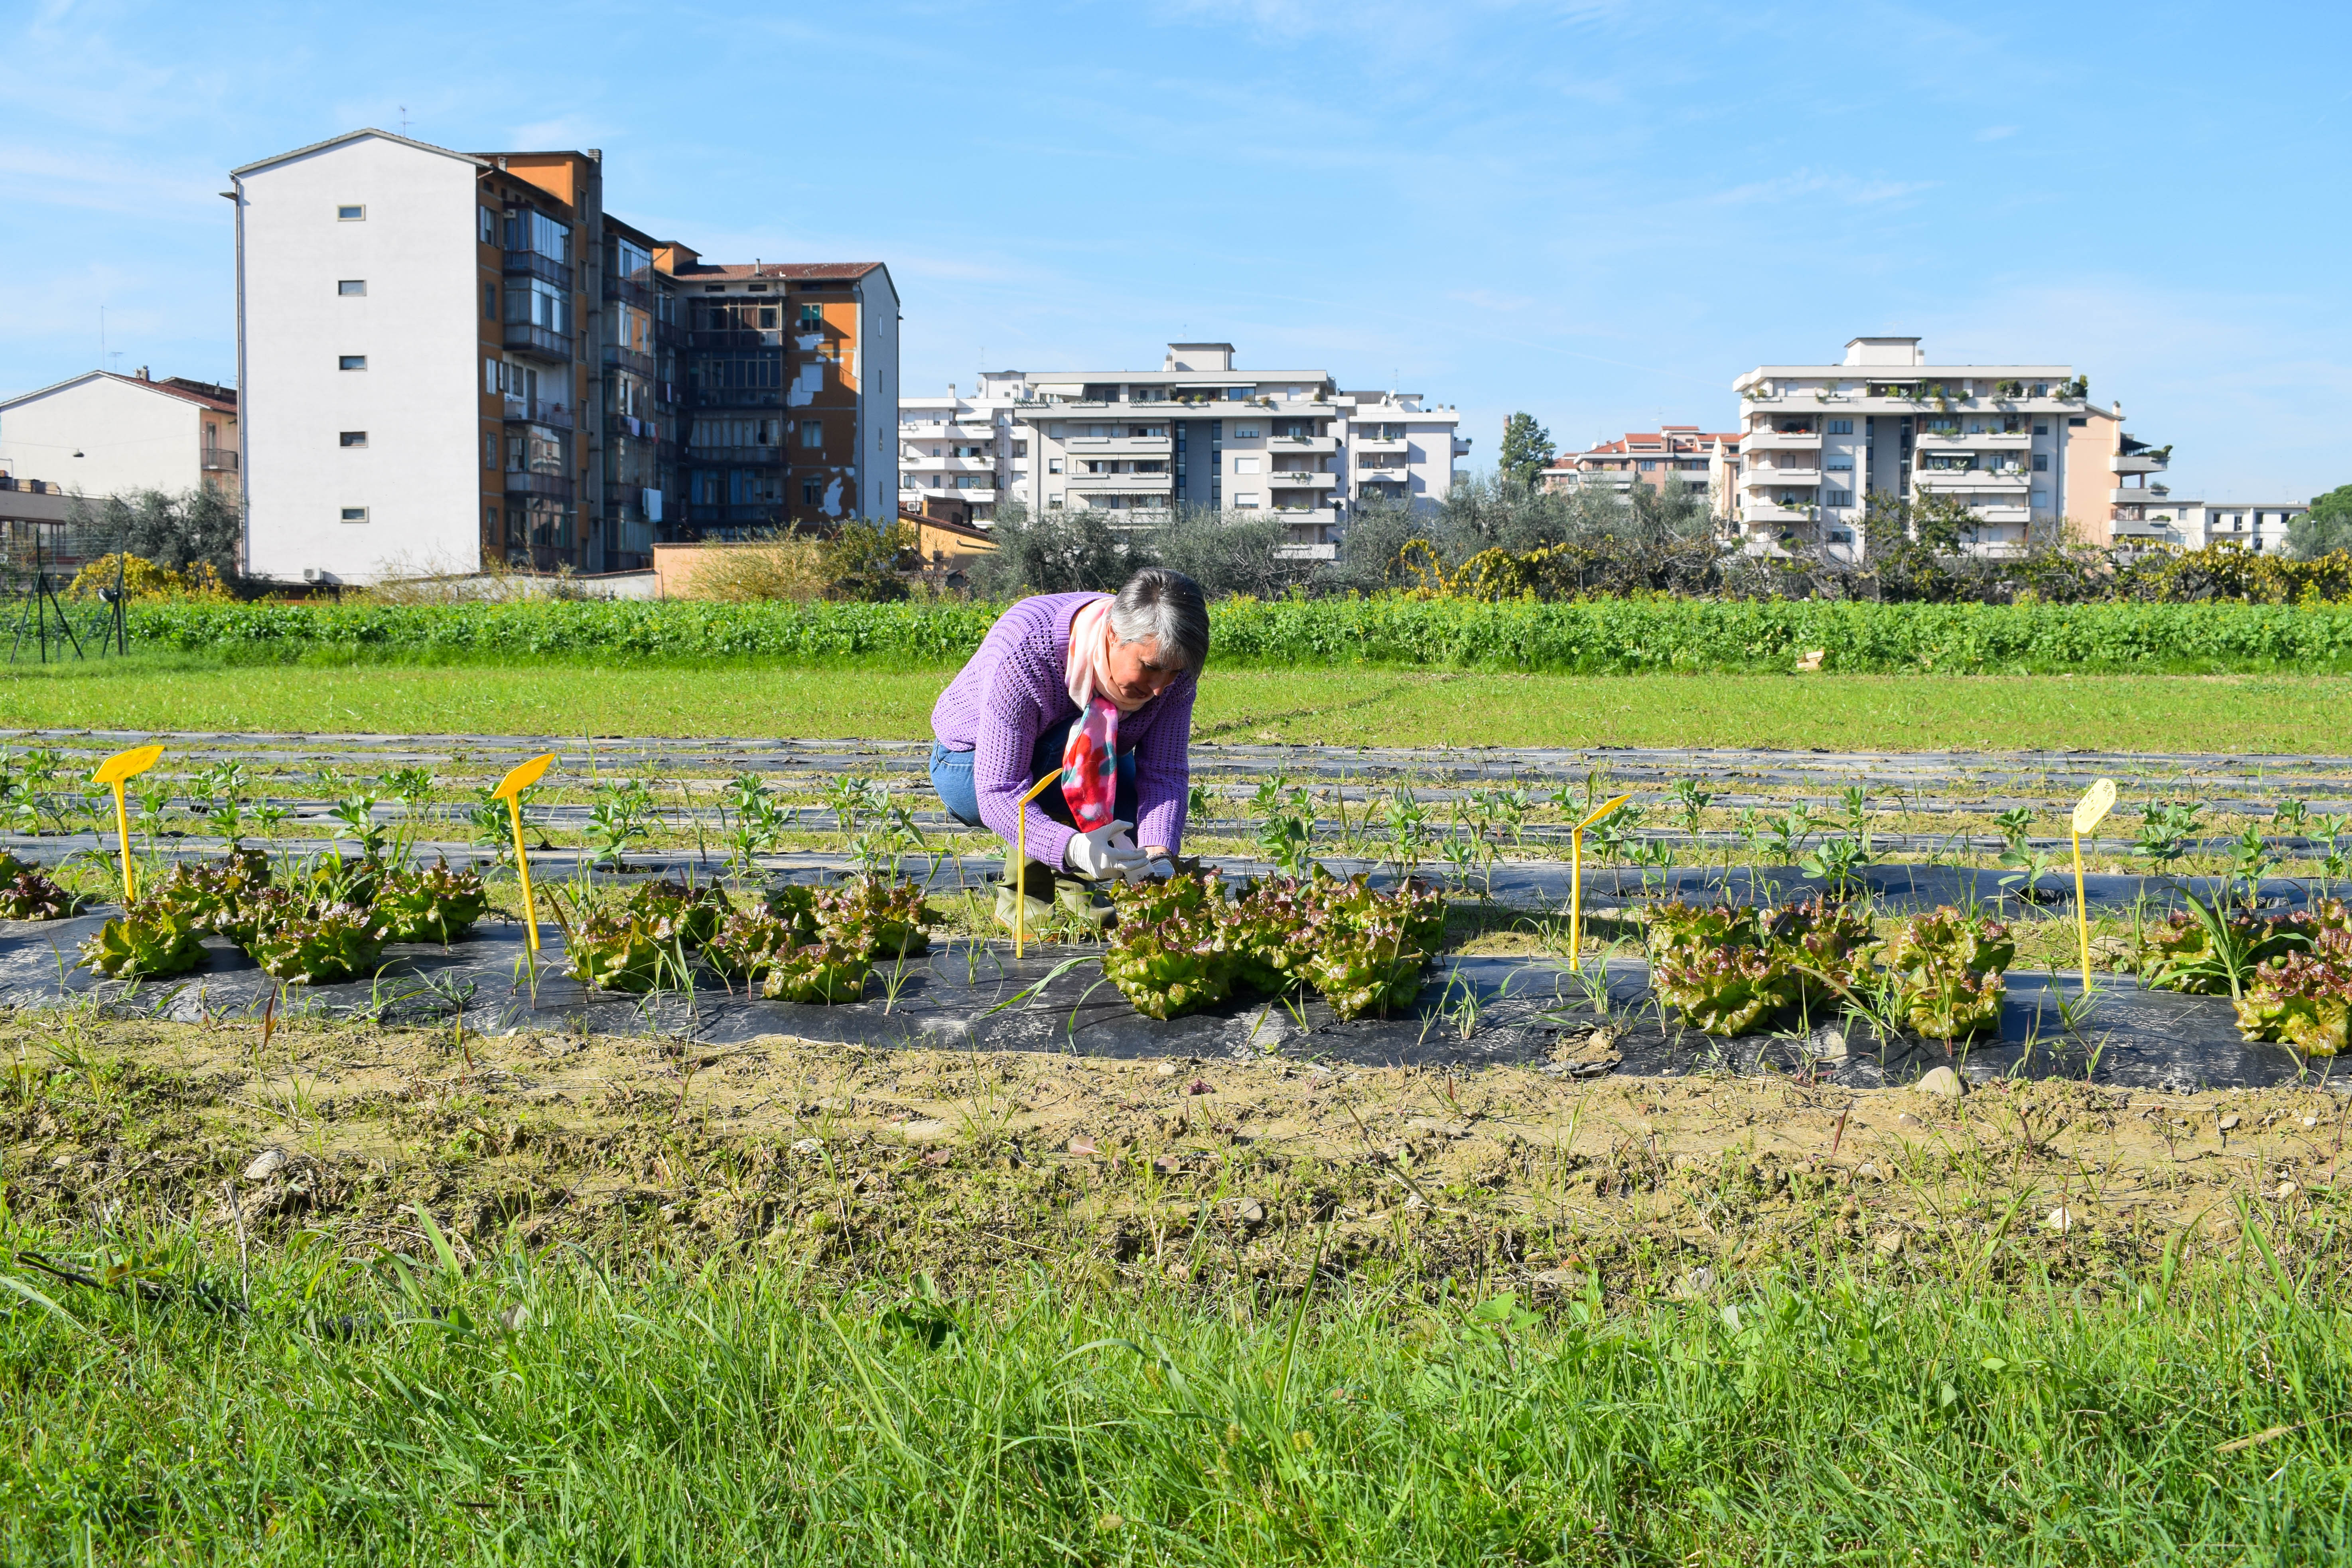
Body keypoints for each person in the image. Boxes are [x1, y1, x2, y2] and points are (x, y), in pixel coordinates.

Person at [929, 568, 1209, 913]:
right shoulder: (1027, 650)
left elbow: (1163, 773)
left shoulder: (1172, 674)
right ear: (1112, 633)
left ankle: (1078, 876)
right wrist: (1072, 849)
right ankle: (1028, 894)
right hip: (967, 765)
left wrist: (1157, 854)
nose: (1158, 688)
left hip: (1084, 761)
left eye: (1174, 673)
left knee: (1129, 819)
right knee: (1065, 749)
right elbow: (999, 791)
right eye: (1150, 667)